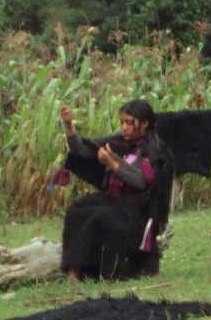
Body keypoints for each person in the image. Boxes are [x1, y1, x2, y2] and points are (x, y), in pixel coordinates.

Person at [59, 99, 173, 281]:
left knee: (103, 218)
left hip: (137, 210)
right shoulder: (117, 142)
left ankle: (108, 274)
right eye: (122, 122)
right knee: (76, 211)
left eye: (130, 123)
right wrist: (69, 127)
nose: (124, 128)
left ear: (145, 123)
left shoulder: (154, 150)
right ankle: (74, 272)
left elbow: (141, 182)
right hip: (113, 201)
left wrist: (112, 163)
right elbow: (82, 150)